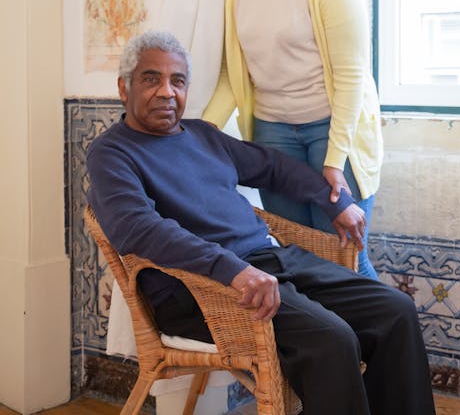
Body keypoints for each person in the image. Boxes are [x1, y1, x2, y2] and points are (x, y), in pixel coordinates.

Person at [86, 31, 435, 415]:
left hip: (268, 263)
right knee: (333, 339)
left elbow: (270, 167)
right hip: (202, 290)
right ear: (124, 87)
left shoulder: (202, 135)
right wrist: (231, 269)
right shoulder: (111, 154)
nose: (167, 92)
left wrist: (334, 200)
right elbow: (137, 228)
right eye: (151, 79)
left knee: (394, 311)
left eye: (178, 81)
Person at [202, 0, 382, 279]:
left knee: (345, 258)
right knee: (300, 258)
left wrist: (335, 160)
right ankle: (334, 347)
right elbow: (234, 72)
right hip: (272, 134)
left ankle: (379, 345)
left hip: (332, 131)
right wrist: (199, 134)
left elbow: (353, 76)